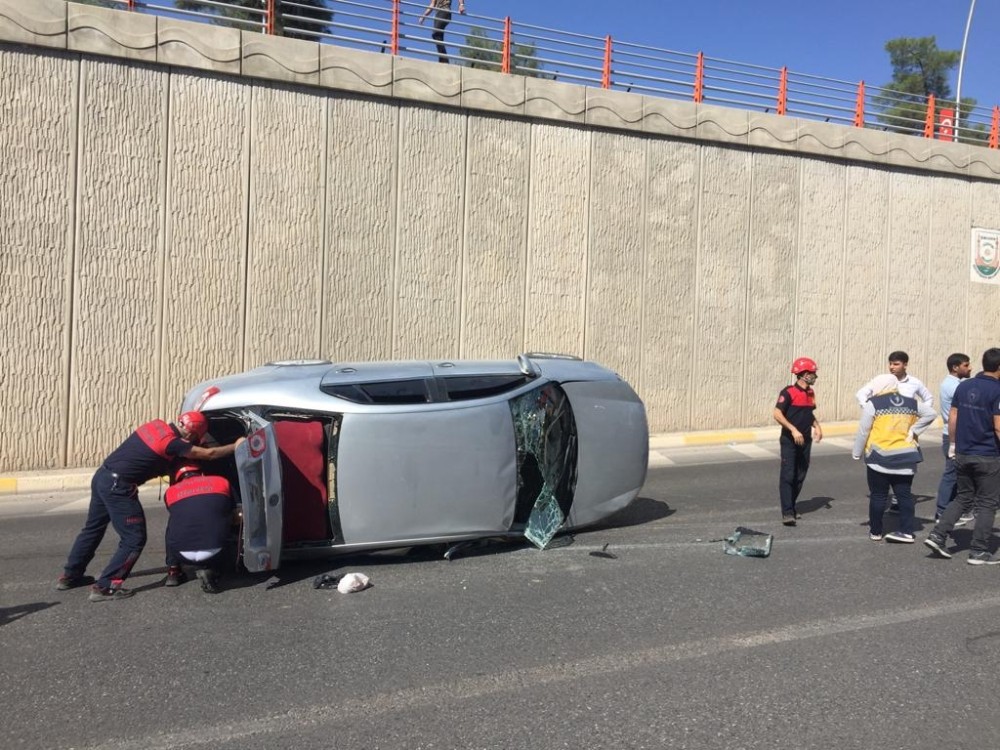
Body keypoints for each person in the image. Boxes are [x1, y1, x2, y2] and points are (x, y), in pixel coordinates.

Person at [56, 412, 243, 601]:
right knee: (134, 538)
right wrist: (236, 446)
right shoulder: (173, 444)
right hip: (118, 486)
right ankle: (106, 586)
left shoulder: (155, 426)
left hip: (102, 477)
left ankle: (70, 576)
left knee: (93, 528)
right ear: (191, 434)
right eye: (195, 438)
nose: (194, 442)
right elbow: (209, 454)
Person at [924, 348, 1000, 564]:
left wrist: (953, 444)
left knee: (963, 497)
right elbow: (998, 426)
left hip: (963, 451)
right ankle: (978, 551)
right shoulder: (997, 390)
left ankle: (938, 535)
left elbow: (953, 417)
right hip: (988, 454)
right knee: (987, 503)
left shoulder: (964, 386)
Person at [852, 383, 936, 543]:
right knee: (904, 495)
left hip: (879, 457)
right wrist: (914, 430)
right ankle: (907, 532)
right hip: (906, 456)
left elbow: (864, 430)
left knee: (878, 496)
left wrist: (857, 452)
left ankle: (876, 532)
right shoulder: (911, 402)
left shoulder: (874, 403)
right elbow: (931, 413)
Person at [163, 463, 236, 594]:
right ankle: (214, 569)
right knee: (226, 517)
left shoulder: (170, 492)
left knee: (172, 523)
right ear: (202, 473)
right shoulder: (221, 481)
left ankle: (173, 571)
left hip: (182, 554)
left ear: (178, 479)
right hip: (217, 550)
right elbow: (235, 509)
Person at [773, 357, 823, 526]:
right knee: (788, 475)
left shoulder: (810, 393)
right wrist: (793, 430)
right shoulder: (788, 392)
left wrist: (817, 426)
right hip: (789, 440)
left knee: (800, 475)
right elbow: (777, 414)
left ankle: (792, 506)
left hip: (805, 440)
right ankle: (787, 512)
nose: (815, 376)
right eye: (812, 373)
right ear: (803, 374)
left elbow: (809, 414)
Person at [934, 353, 972, 522]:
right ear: (955, 367)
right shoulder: (954, 386)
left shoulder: (955, 384)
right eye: (966, 365)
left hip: (957, 433)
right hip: (954, 434)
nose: (970, 368)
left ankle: (956, 510)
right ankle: (942, 511)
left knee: (960, 474)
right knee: (951, 474)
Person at [855, 351, 933, 407]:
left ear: (905, 365)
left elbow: (928, 398)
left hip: (906, 422)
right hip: (884, 421)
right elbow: (861, 393)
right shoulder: (881, 380)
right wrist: (869, 409)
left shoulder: (915, 382)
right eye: (890, 364)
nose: (891, 367)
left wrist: (918, 414)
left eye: (896, 364)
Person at [419, 0, 466, 64]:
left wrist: (461, 5)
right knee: (438, 37)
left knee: (436, 35)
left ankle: (444, 60)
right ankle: (442, 60)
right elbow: (432, 5)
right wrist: (423, 16)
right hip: (438, 14)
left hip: (444, 12)